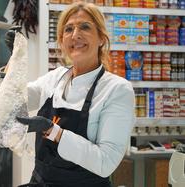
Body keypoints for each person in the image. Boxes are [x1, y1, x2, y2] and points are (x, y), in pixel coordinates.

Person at [13, 2, 136, 187]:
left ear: (102, 38)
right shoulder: (55, 78)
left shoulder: (117, 89)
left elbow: (106, 163)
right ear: (62, 40)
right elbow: (13, 101)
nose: (75, 35)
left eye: (85, 27)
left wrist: (54, 131)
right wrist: (14, 61)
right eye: (68, 29)